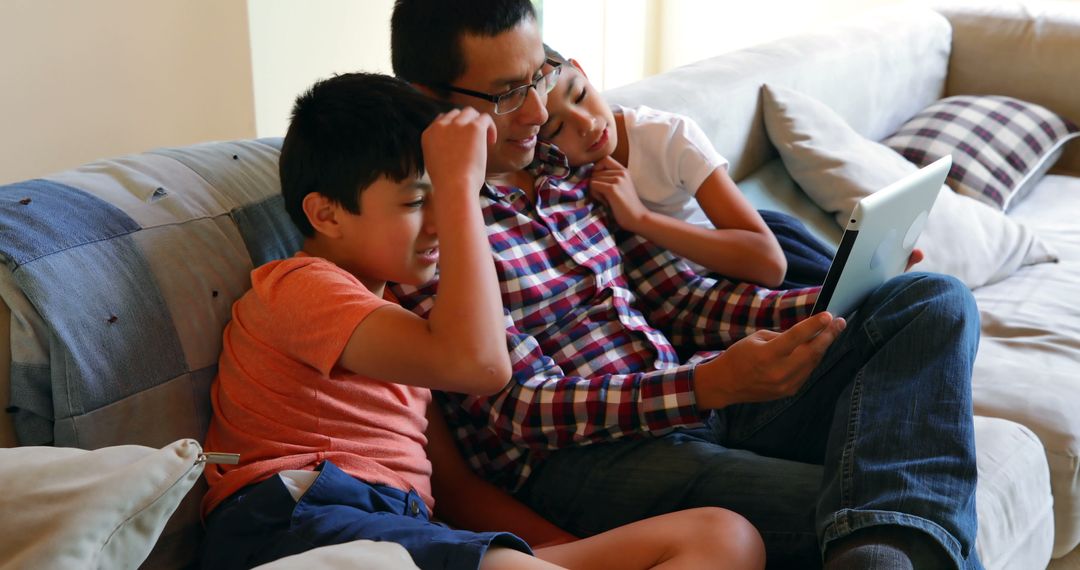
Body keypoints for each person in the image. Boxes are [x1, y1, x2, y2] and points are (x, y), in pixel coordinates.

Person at [389, 1, 983, 569]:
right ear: (428, 102)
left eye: (538, 77)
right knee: (895, 500)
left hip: (700, 402)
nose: (538, 114)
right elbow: (520, 405)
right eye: (507, 94)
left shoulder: (564, 172)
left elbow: (681, 299)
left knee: (931, 299)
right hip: (586, 461)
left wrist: (840, 302)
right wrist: (704, 384)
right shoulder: (428, 224)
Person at [198, 72, 766, 570]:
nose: (442, 225)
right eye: (418, 201)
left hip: (405, 525)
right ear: (326, 213)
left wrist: (566, 553)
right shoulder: (297, 287)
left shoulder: (397, 328)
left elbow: (452, 485)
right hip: (300, 518)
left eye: (447, 203)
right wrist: (462, 191)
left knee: (724, 535)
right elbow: (481, 365)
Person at [539, 45, 787, 286]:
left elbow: (770, 264)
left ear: (582, 72)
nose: (588, 124)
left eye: (581, 95)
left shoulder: (669, 136)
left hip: (735, 266)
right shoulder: (548, 176)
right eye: (558, 128)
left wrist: (639, 217)